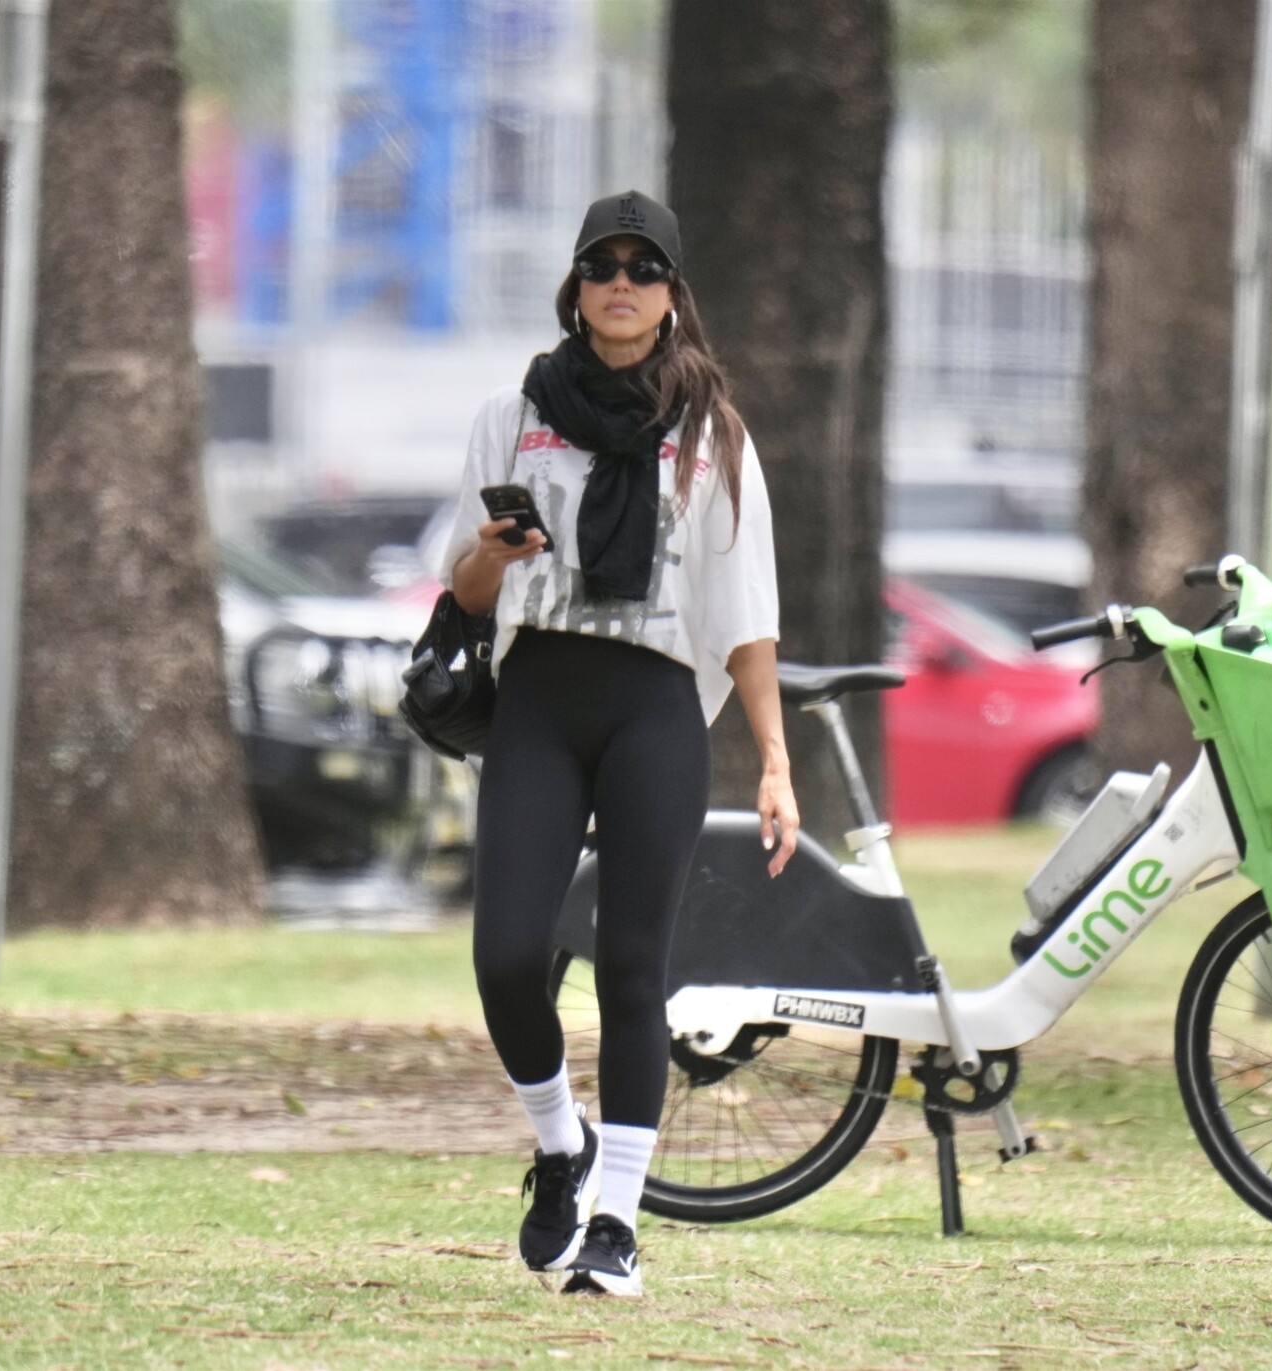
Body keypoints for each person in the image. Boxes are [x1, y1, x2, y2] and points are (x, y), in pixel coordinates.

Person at [440, 190, 799, 1299]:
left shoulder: (711, 434)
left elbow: (745, 616)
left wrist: (775, 760)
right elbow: (465, 587)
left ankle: (617, 1225)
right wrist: (495, 554)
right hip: (539, 699)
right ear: (577, 285)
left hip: (654, 707)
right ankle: (562, 1146)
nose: (623, 285)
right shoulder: (513, 414)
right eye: (604, 265)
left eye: (645, 269)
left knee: (635, 969)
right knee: (507, 957)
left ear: (673, 293)